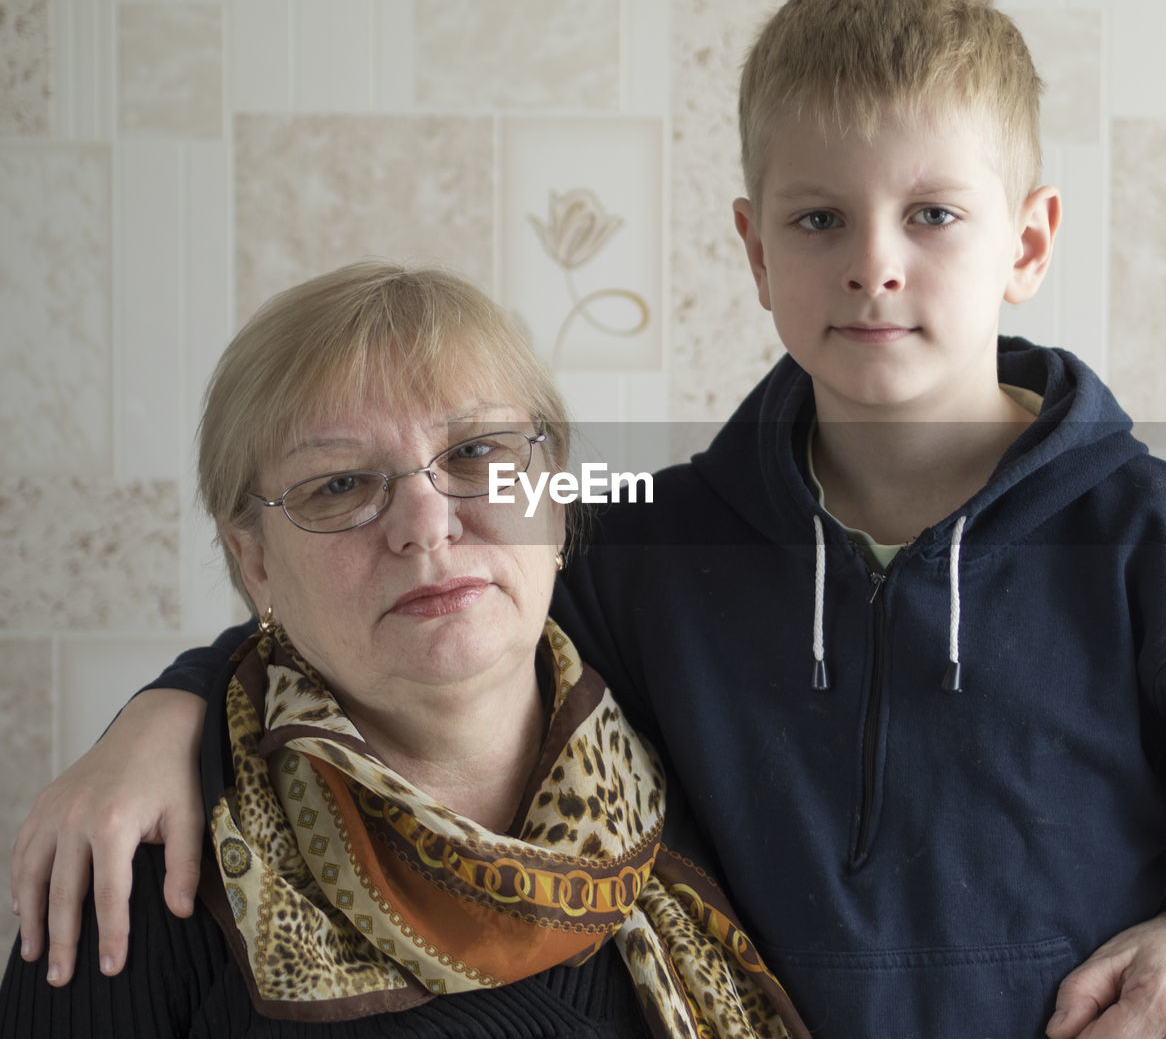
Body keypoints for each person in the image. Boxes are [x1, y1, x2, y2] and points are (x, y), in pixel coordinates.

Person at [6, 0, 1166, 1038]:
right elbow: (418, 593)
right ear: (754, 250)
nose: (874, 266)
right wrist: (164, 710)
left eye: (931, 214)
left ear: (1029, 243)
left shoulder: (1151, 545)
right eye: (819, 218)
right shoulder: (650, 528)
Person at [0, 262, 808, 1038]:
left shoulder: (707, 761)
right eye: (339, 484)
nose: (426, 523)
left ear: (557, 500)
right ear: (256, 562)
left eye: (475, 452)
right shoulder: (142, 865)